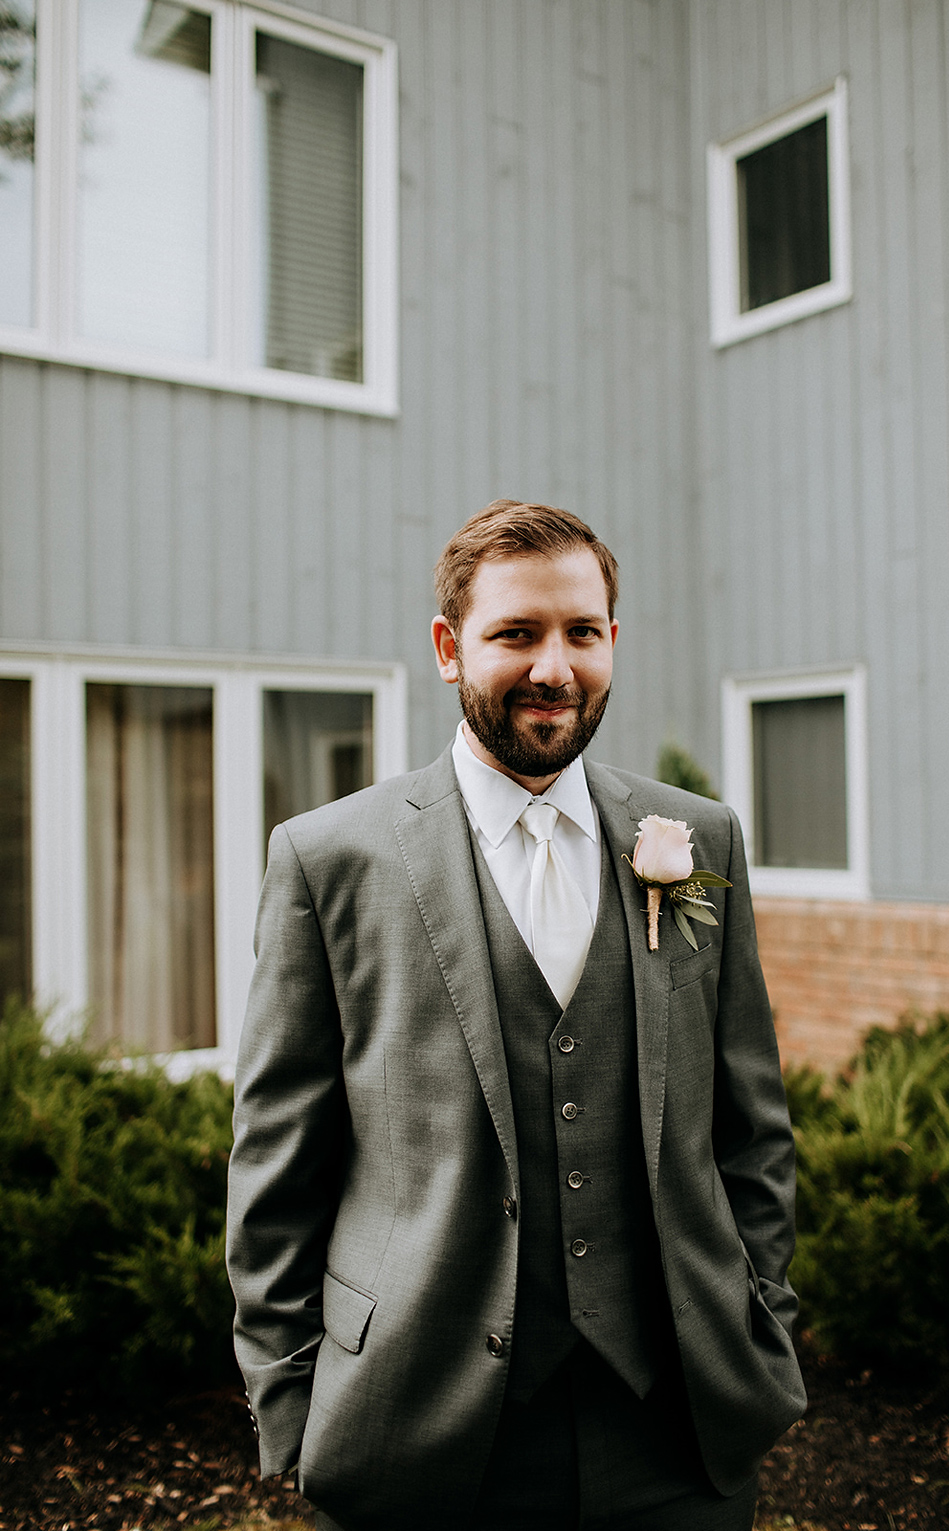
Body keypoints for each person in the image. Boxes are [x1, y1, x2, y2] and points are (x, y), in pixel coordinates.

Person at [226, 501, 804, 1529]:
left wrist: (761, 1320)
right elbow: (276, 1164)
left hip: (675, 1425)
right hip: (421, 1427)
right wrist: (291, 1401)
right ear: (450, 649)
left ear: (611, 642)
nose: (554, 667)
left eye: (581, 632)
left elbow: (750, 1124)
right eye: (516, 634)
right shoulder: (329, 859)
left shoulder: (698, 834)